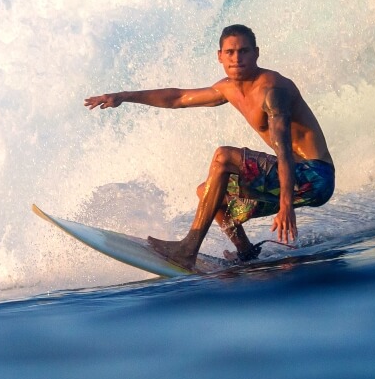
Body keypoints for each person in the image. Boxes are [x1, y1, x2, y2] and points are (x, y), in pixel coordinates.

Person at [83, 24, 334, 267]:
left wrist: (286, 205)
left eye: (244, 51)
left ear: (256, 53)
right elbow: (177, 98)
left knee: (223, 157)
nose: (237, 58)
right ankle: (246, 252)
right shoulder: (227, 88)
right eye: (230, 52)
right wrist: (124, 97)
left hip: (314, 175)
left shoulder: (272, 90)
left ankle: (187, 249)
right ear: (219, 56)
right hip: (293, 178)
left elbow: (283, 152)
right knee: (208, 192)